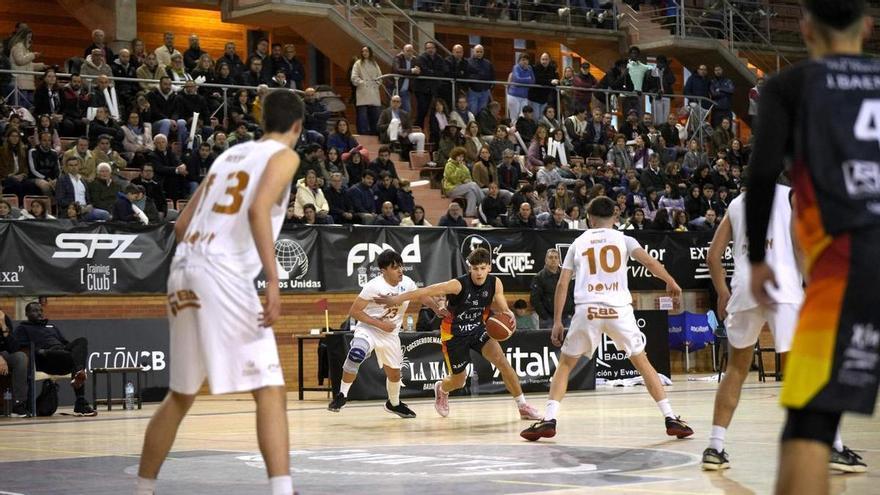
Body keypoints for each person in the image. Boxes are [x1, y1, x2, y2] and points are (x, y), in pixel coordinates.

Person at [135, 90, 306, 495]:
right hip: (221, 272)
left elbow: (180, 226)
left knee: (180, 394)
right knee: (269, 387)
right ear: (297, 127)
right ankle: (283, 492)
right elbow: (258, 208)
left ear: (264, 122)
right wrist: (274, 280)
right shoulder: (285, 156)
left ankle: (143, 489)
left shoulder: (228, 156)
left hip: (184, 269)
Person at [743, 2, 876, 493]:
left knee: (809, 424)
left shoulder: (790, 86)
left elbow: (760, 176)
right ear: (867, 26)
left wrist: (757, 260)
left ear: (805, 29)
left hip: (850, 265)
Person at [520, 197, 693, 441]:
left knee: (566, 365)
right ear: (615, 217)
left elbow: (562, 284)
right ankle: (670, 417)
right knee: (643, 363)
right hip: (618, 310)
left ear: (588, 219)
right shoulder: (624, 239)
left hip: (587, 310)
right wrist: (670, 280)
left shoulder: (578, 242)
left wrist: (558, 321)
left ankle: (549, 419)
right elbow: (649, 262)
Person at [375, 248, 542, 420]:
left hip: (478, 329)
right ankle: (442, 389)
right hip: (454, 335)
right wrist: (397, 299)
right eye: (475, 268)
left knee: (503, 363)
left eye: (483, 268)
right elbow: (425, 291)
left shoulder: (495, 283)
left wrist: (508, 312)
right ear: (470, 268)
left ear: (489, 268)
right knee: (459, 381)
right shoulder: (458, 285)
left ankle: (523, 406)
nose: (479, 272)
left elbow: (501, 304)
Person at [328, 250, 432, 417]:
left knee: (395, 374)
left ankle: (394, 404)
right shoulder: (373, 286)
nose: (400, 270)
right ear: (383, 271)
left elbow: (422, 296)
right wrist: (380, 324)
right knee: (356, 353)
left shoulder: (408, 282)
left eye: (401, 266)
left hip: (390, 334)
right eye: (395, 267)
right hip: (369, 329)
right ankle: (342, 395)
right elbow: (354, 311)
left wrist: (437, 307)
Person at [14, 302, 96, 416]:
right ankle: (81, 401)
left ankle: (79, 379)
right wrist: (39, 351)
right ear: (27, 313)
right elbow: (19, 347)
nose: (39, 313)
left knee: (81, 341)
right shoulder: (23, 328)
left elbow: (65, 342)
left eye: (40, 310)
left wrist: (71, 349)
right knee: (71, 358)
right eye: (35, 310)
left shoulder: (51, 326)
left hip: (62, 356)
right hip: (46, 359)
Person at [530, 249, 574, 329]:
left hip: (567, 318)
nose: (553, 260)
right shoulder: (539, 278)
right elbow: (535, 299)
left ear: (559, 260)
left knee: (568, 341)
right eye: (550, 257)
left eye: (556, 257)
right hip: (548, 320)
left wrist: (572, 312)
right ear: (546, 260)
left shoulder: (566, 276)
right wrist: (545, 316)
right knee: (548, 341)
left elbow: (572, 293)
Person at [0, 308, 27, 417]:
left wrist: (3, 326)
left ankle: (18, 404)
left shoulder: (4, 318)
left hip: (4, 353)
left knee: (20, 357)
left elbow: (14, 348)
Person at [351, 46, 383, 135]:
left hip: (373, 92)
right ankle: (363, 133)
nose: (364, 53)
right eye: (363, 51)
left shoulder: (374, 63)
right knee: (362, 116)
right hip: (363, 92)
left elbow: (380, 76)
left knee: (375, 114)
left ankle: (375, 132)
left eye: (366, 51)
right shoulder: (358, 63)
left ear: (370, 52)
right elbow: (354, 77)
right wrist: (362, 83)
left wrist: (377, 83)